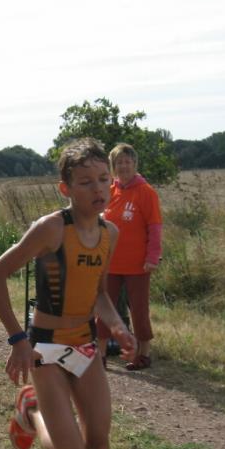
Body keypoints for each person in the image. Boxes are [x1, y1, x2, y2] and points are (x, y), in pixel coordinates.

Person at [0, 138, 136, 449]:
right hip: (46, 347)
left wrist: (118, 326)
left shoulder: (110, 233)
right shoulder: (50, 229)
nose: (98, 188)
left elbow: (100, 294)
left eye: (103, 179)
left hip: (85, 346)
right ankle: (30, 408)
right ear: (65, 188)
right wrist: (18, 340)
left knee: (99, 446)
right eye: (85, 182)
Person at [96, 143, 162, 371]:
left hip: (138, 265)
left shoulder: (146, 192)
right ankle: (100, 354)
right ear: (113, 167)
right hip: (110, 263)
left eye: (127, 161)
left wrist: (153, 257)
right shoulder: (109, 191)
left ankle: (143, 355)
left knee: (139, 310)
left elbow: (155, 227)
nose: (123, 166)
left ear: (134, 164)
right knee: (104, 309)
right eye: (119, 162)